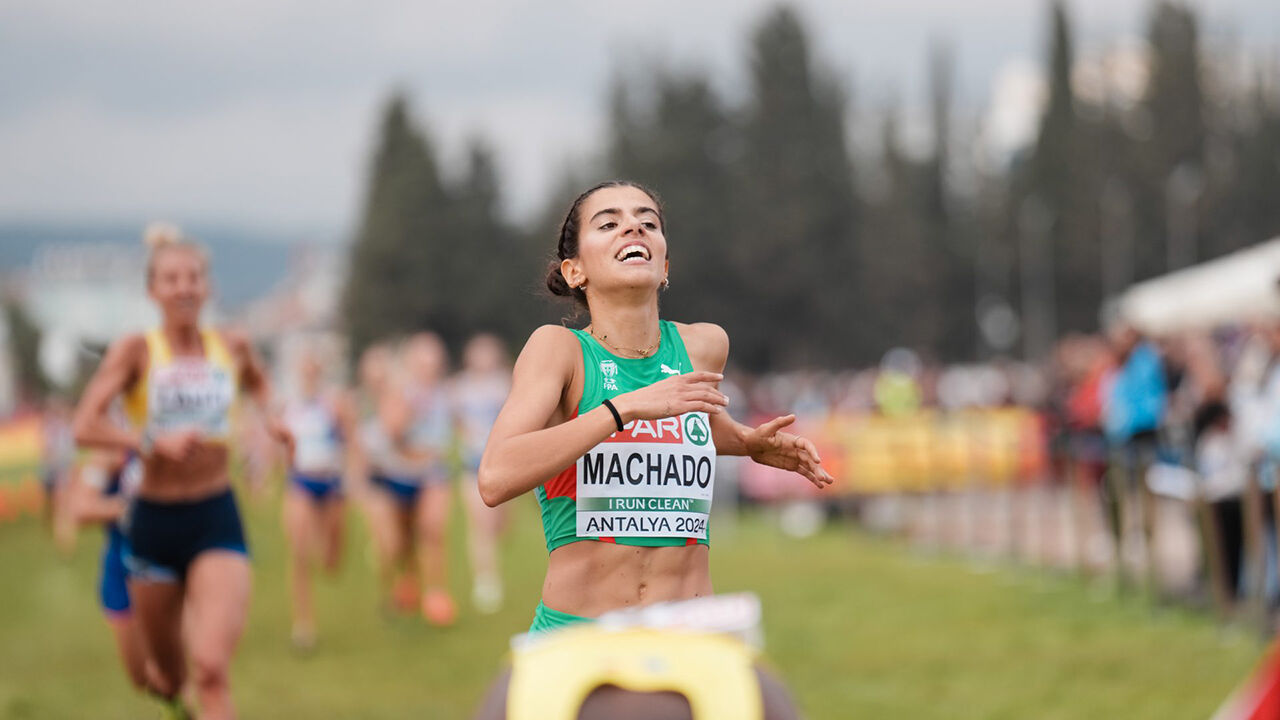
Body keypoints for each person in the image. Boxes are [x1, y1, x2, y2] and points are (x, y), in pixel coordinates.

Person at [478, 181, 833, 633]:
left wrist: (745, 442)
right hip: (579, 634)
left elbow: (692, 422)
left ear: (664, 265)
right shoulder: (558, 351)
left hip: (693, 631)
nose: (633, 228)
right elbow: (495, 477)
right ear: (574, 271)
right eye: (609, 223)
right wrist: (623, 408)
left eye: (648, 222)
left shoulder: (703, 346)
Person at [72, 224, 291, 720]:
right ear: (153, 290)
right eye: (171, 279)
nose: (184, 288)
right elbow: (85, 424)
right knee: (168, 678)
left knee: (211, 669)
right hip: (152, 522)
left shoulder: (232, 345)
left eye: (193, 277)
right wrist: (149, 441)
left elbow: (259, 384)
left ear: (207, 286)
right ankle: (175, 696)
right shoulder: (136, 351)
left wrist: (274, 419)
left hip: (216, 514)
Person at [365, 333, 457, 624]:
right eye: (422, 361)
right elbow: (392, 431)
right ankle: (407, 582)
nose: (429, 368)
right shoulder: (400, 392)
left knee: (433, 530)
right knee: (401, 542)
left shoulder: (446, 393)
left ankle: (436, 595)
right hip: (398, 474)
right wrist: (408, 409)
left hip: (433, 472)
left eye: (433, 361)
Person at [280, 341, 355, 648]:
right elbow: (273, 444)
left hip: (332, 484)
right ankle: (304, 624)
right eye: (305, 369)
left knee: (330, 559)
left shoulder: (334, 403)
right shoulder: (286, 404)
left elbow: (352, 441)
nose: (309, 374)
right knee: (299, 552)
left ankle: (329, 555)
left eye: (314, 369)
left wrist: (355, 480)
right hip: (300, 482)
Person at [68, 448, 150, 692]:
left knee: (177, 668)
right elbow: (81, 509)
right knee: (142, 678)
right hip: (122, 571)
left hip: (167, 565)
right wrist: (133, 508)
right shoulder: (112, 453)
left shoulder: (171, 436)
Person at [451, 333, 512, 613]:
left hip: (502, 463)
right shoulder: (460, 388)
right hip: (472, 464)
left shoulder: (504, 384)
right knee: (480, 526)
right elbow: (456, 422)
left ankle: (489, 570)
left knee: (499, 526)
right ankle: (486, 581)